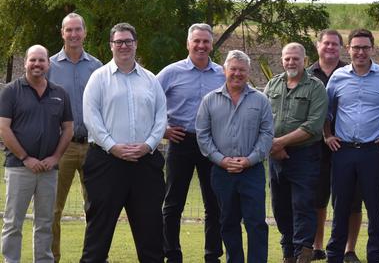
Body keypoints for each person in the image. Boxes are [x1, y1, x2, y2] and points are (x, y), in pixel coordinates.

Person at [81, 23, 167, 262]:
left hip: (145, 165)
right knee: (98, 234)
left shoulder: (150, 80)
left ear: (136, 44)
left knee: (150, 233)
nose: (124, 46)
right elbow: (91, 117)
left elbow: (161, 117)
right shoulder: (98, 78)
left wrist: (148, 145)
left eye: (128, 41)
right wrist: (112, 146)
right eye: (118, 42)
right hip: (106, 163)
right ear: (111, 46)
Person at [324, 29, 379, 263]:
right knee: (340, 206)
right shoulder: (338, 77)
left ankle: (375, 255)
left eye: (365, 47)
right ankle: (334, 255)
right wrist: (327, 135)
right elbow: (326, 111)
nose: (360, 52)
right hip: (343, 151)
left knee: (374, 206)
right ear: (348, 49)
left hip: (373, 151)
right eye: (356, 47)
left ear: (373, 49)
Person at [196, 50, 273, 263]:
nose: (237, 74)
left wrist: (250, 159)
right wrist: (221, 159)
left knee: (256, 223)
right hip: (222, 171)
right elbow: (203, 136)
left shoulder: (261, 100)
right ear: (224, 70)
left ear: (248, 72)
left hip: (252, 170)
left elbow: (267, 134)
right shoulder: (209, 101)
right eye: (233, 69)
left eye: (242, 70)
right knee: (228, 222)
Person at [157, 23, 225, 263]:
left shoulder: (222, 73)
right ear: (188, 43)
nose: (201, 45)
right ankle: (172, 253)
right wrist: (162, 130)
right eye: (196, 41)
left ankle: (212, 255)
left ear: (211, 44)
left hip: (212, 144)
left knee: (214, 204)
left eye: (206, 41)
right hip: (181, 142)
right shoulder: (170, 73)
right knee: (173, 203)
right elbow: (150, 102)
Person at [0, 45, 73, 263]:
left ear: (49, 64)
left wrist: (55, 158)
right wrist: (26, 158)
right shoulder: (11, 91)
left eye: (42, 60)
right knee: (13, 223)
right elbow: (3, 128)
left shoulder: (59, 93)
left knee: (45, 222)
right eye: (33, 60)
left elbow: (68, 128)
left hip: (49, 170)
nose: (37, 64)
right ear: (25, 64)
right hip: (19, 167)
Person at [264, 43, 328, 263]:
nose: (291, 62)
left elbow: (313, 125)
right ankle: (288, 251)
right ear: (282, 59)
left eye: (295, 59)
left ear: (305, 60)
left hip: (304, 156)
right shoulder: (273, 84)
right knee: (279, 206)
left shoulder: (315, 87)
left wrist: (279, 143)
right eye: (287, 58)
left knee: (302, 205)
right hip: (275, 158)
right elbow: (262, 119)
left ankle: (303, 252)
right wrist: (274, 148)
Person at [47, 13, 102, 262]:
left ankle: (93, 257)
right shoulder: (49, 66)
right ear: (62, 33)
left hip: (93, 146)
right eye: (68, 30)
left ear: (85, 32)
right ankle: (52, 257)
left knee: (96, 208)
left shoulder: (97, 67)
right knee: (52, 209)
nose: (73, 34)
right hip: (61, 148)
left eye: (77, 29)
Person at [307, 29, 363, 263]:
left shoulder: (351, 72)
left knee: (351, 201)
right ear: (318, 45)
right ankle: (318, 247)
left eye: (335, 44)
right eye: (326, 43)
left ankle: (349, 250)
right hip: (314, 148)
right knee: (317, 200)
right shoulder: (306, 74)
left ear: (342, 47)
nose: (330, 47)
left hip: (348, 147)